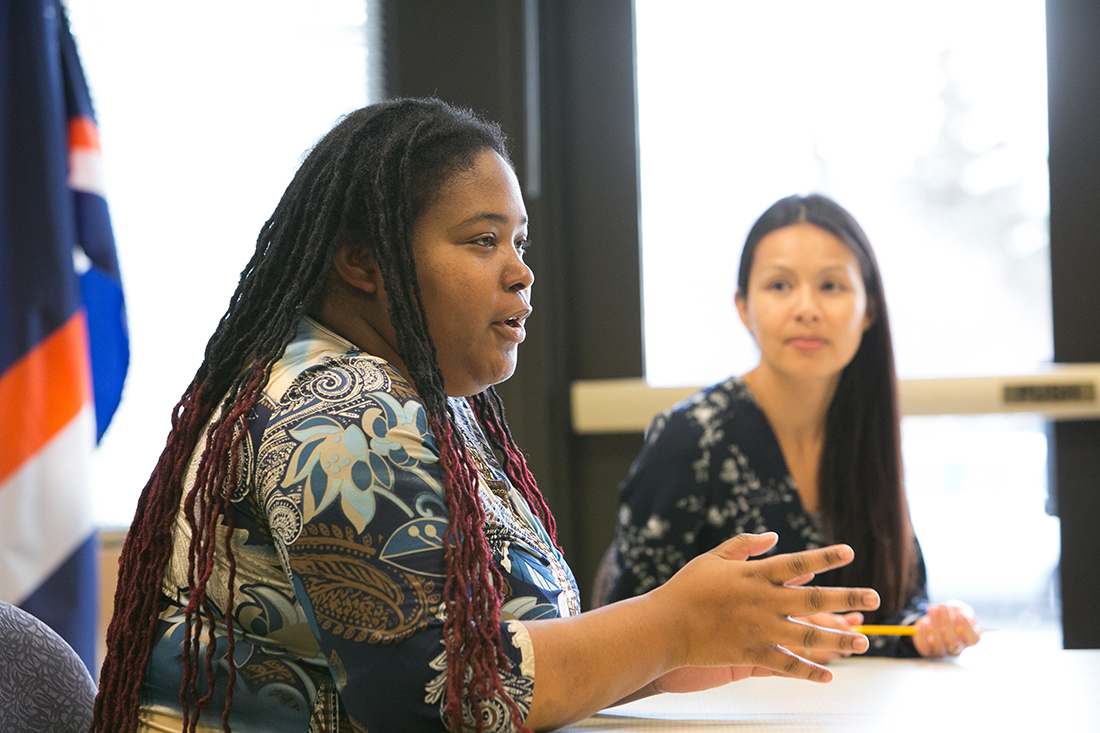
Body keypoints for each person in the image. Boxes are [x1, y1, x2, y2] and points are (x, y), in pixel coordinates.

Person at [91, 102, 881, 733]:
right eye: (482, 240)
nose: (521, 270)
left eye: (519, 240)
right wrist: (668, 627)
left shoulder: (423, 398)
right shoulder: (335, 411)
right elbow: (436, 695)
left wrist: (687, 645)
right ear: (363, 260)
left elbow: (505, 649)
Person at [598, 194, 981, 660]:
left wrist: (927, 628)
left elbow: (891, 608)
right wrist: (766, 633)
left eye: (831, 286)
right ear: (743, 307)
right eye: (780, 285)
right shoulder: (689, 438)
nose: (806, 308)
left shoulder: (865, 432)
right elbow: (624, 627)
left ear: (870, 311)